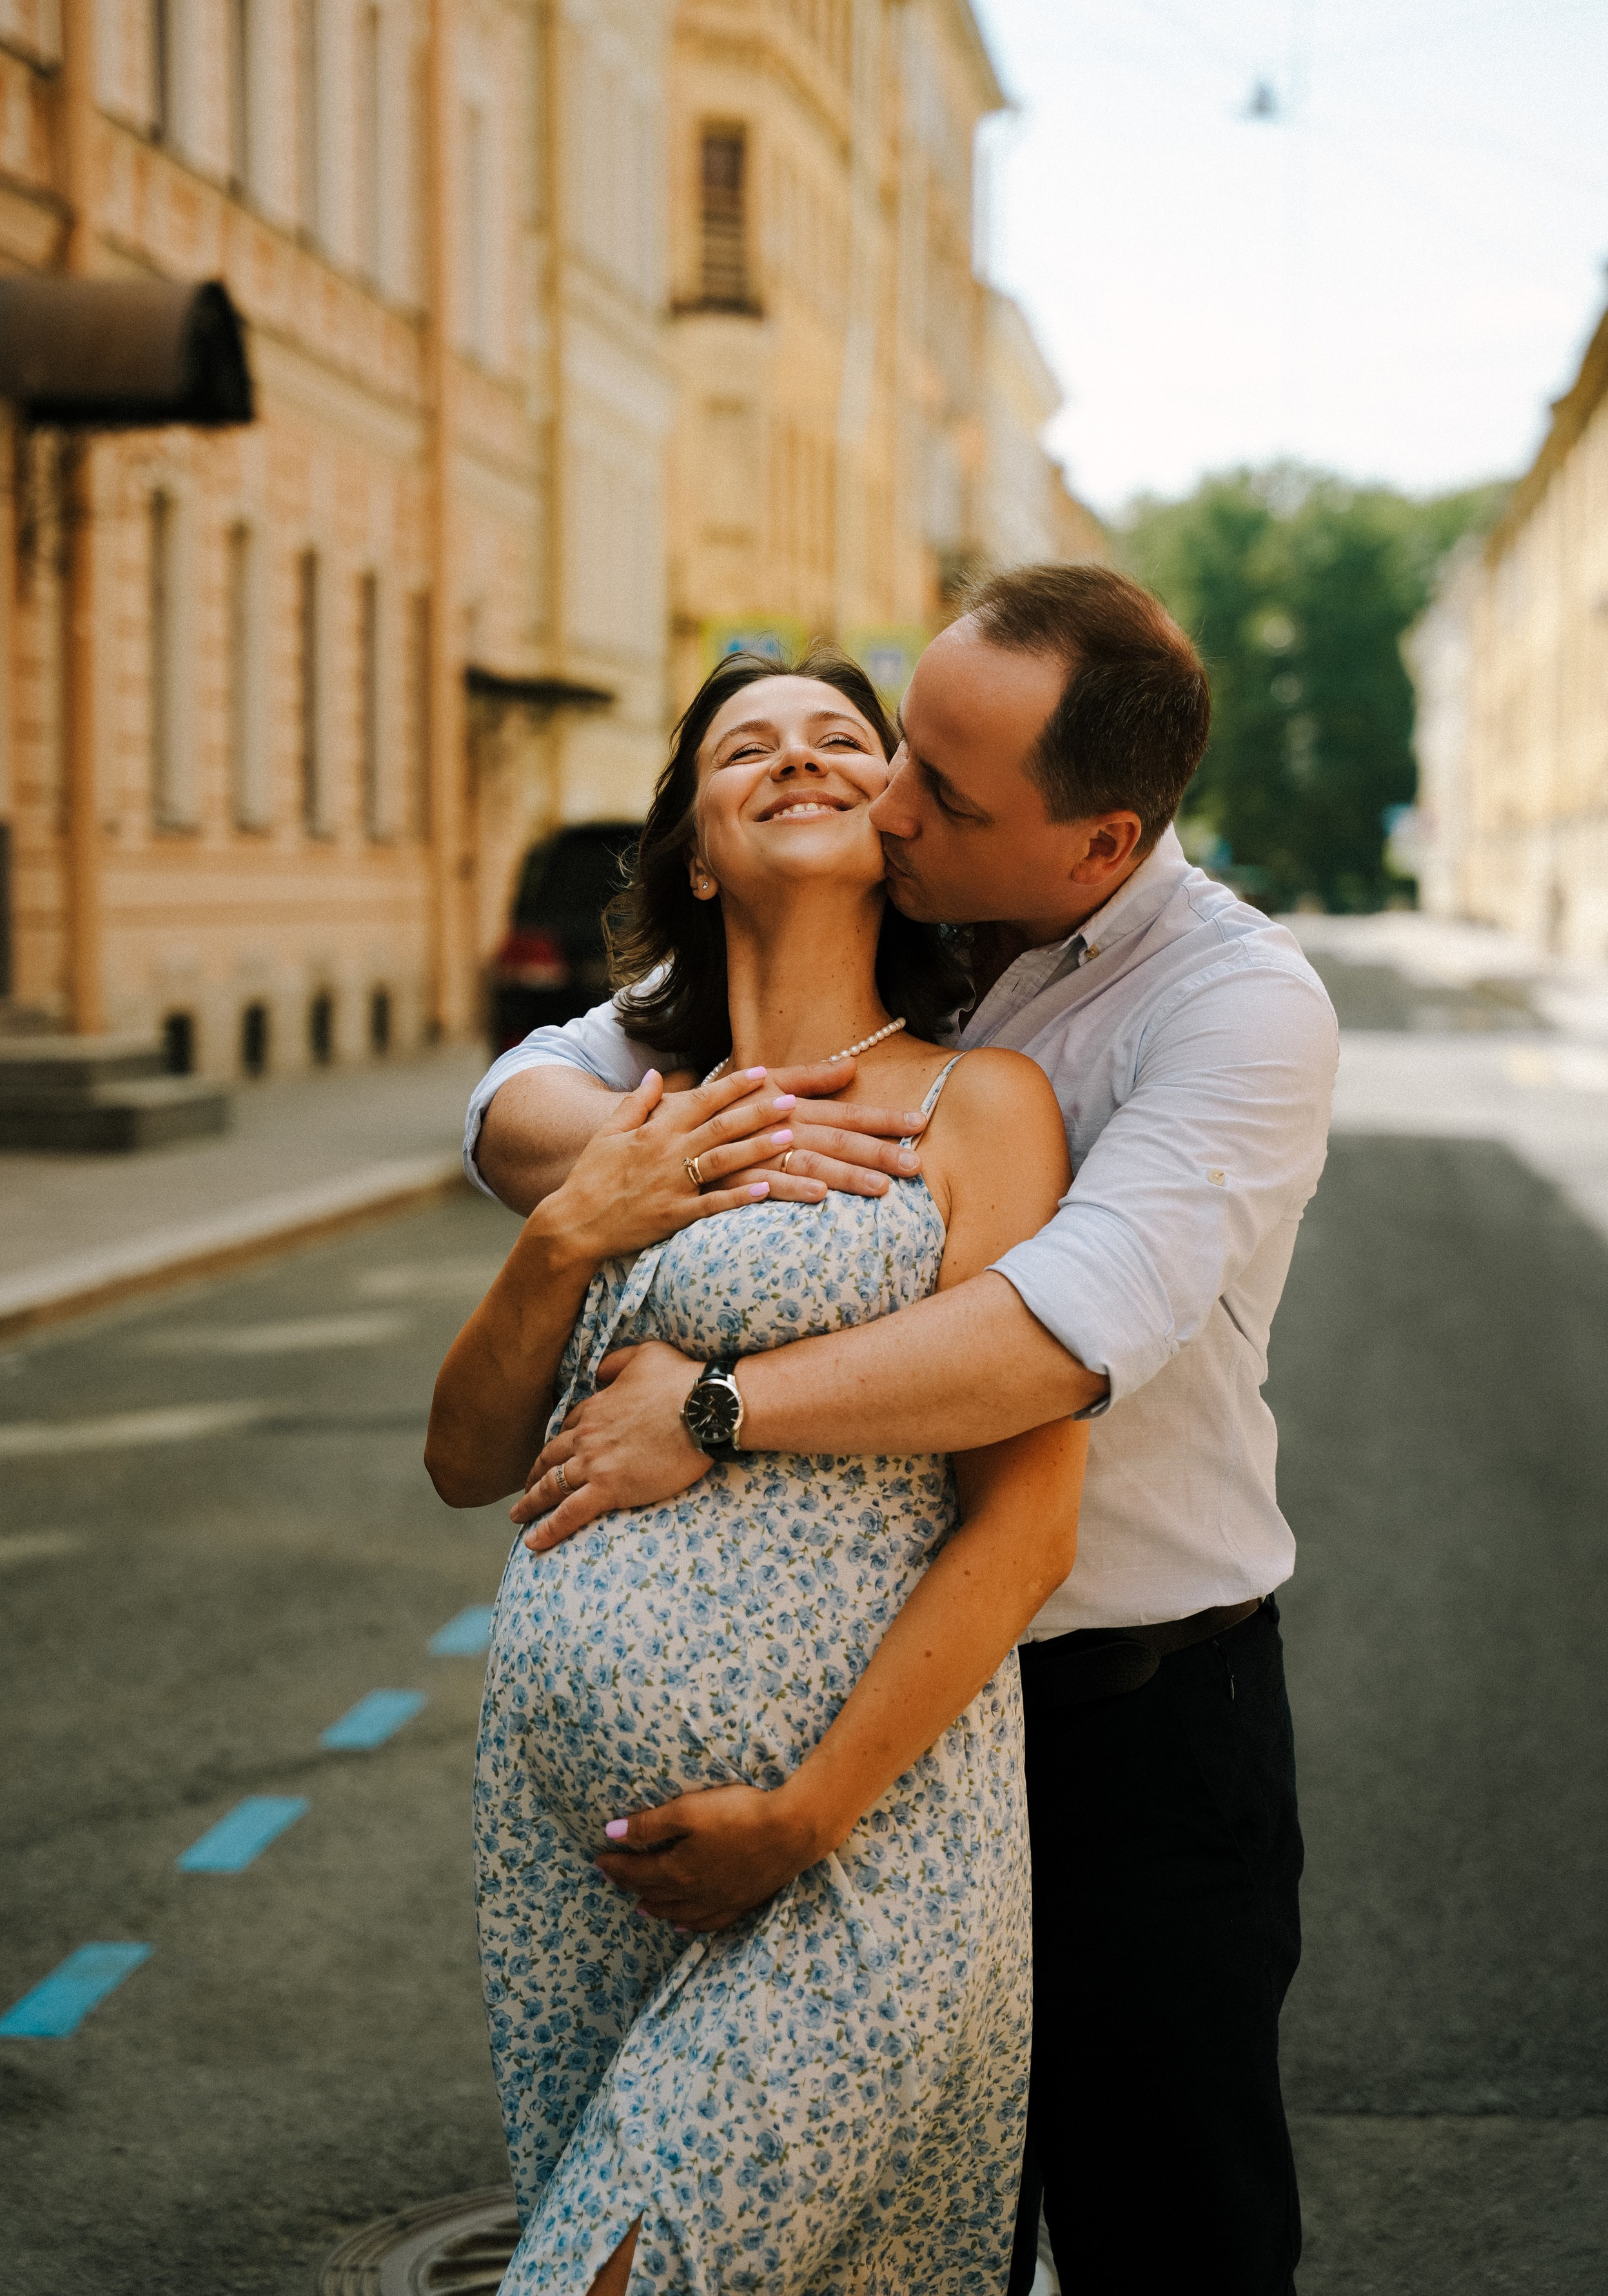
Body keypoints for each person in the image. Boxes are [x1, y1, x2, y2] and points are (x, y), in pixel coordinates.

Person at [466, 565, 1340, 2296]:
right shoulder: (890, 923)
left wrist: (714, 1410)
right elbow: (515, 1098)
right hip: (855, 1729)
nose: (885, 796)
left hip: (1125, 1728)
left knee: (1171, 2237)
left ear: (1095, 844)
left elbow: (1042, 1343)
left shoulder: (1228, 1009)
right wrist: (674, 1161)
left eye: (935, 784)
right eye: (903, 749)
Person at [427, 648, 1089, 2295]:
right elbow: (462, 1461)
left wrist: (803, 1818)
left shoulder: (976, 1105)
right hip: (573, 1842)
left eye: (839, 741)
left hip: (862, 1846)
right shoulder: (619, 1117)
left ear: (896, 819)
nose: (794, 758)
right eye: (744, 747)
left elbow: (1028, 1519)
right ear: (696, 849)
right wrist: (572, 1228)